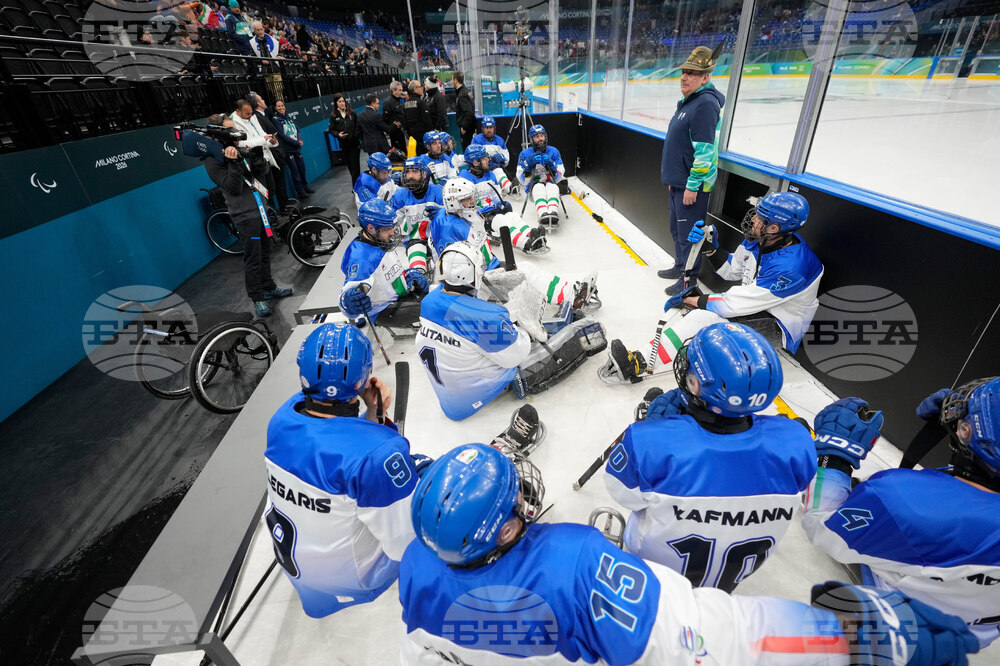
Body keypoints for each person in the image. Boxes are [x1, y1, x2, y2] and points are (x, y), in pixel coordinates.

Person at [398, 443, 978, 666]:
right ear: (502, 533)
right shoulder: (574, 563)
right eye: (513, 498)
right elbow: (704, 636)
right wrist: (835, 638)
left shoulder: (416, 569)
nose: (524, 493)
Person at [604, 323, 816, 592]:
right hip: (731, 583)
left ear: (695, 385)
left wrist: (656, 427)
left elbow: (623, 494)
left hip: (654, 576)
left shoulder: (650, 442)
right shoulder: (796, 442)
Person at [802, 378, 1000, 649]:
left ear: (968, 431)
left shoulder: (901, 499)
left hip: (894, 632)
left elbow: (821, 526)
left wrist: (834, 455)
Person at [265, 323, 422, 618]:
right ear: (364, 379)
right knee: (425, 472)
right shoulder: (380, 453)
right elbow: (405, 543)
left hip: (301, 568)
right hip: (356, 581)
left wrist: (373, 413)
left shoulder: (281, 419)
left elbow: (336, 441)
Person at [601, 191, 823, 384]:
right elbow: (731, 271)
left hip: (776, 325)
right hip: (754, 305)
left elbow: (733, 305)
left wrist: (698, 301)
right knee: (702, 313)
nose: (753, 218)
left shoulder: (792, 268)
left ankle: (639, 363)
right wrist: (710, 248)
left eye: (759, 217)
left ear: (774, 228)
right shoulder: (759, 240)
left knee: (702, 317)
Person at [417, 241, 606, 421]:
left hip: (451, 396)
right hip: (479, 393)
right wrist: (520, 322)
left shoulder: (429, 301)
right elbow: (518, 354)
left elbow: (465, 324)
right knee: (588, 330)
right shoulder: (486, 318)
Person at [202, 113, 292, 318]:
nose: (236, 133)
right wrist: (233, 163)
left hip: (260, 209)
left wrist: (257, 156)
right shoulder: (212, 160)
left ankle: (268, 286)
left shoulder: (242, 148)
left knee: (266, 251)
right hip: (244, 216)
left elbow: (260, 173)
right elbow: (232, 187)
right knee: (253, 257)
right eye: (229, 129)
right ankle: (257, 298)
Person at [659, 45, 726, 295]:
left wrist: (692, 185)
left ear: (706, 77)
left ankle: (689, 283)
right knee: (677, 230)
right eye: (684, 72)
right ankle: (680, 267)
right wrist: (675, 179)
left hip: (692, 187)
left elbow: (705, 152)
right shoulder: (690, 101)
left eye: (692, 73)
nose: (684, 77)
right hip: (679, 182)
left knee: (690, 235)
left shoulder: (705, 105)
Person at [338, 200, 428, 329]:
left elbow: (388, 272)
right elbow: (347, 303)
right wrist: (349, 302)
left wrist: (408, 275)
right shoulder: (362, 259)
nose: (392, 233)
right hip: (384, 310)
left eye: (392, 227)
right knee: (436, 309)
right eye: (387, 229)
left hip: (396, 297)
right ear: (370, 228)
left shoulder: (379, 241)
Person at [458, 144, 546, 254]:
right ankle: (525, 243)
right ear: (475, 163)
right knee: (501, 221)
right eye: (484, 158)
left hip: (493, 212)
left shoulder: (490, 175)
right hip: (479, 217)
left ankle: (533, 236)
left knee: (512, 216)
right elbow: (465, 205)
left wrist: (500, 204)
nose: (488, 160)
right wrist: (486, 208)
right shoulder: (463, 179)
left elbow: (496, 194)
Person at [391, 158, 445, 276]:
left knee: (445, 271)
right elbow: (392, 222)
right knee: (417, 272)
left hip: (440, 238)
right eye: (408, 172)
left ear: (424, 174)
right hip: (415, 241)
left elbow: (454, 217)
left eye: (415, 172)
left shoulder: (439, 191)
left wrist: (443, 213)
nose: (410, 176)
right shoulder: (400, 195)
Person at [230, 99, 284, 211]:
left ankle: (272, 215)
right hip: (253, 164)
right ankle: (269, 218)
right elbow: (241, 144)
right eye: (247, 113)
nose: (250, 115)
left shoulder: (253, 118)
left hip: (265, 159)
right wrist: (263, 140)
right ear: (238, 111)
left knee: (271, 189)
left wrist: (271, 141)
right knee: (263, 193)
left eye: (251, 113)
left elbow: (263, 136)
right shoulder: (233, 123)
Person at [516, 124, 564, 228]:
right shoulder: (524, 154)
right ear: (532, 139)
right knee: (539, 187)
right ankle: (543, 214)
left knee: (553, 187)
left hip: (550, 182)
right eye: (537, 136)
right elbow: (522, 180)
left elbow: (560, 176)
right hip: (533, 186)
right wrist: (527, 167)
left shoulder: (554, 151)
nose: (540, 138)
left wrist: (552, 164)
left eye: (542, 135)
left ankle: (553, 213)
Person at [247, 92, 289, 211]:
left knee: (278, 186)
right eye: (261, 99)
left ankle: (284, 207)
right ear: (258, 103)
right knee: (275, 187)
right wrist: (278, 155)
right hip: (271, 158)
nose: (264, 100)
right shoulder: (257, 118)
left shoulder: (262, 116)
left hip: (275, 155)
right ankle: (280, 211)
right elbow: (266, 139)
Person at [271, 99, 313, 200]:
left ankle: (305, 186)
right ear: (275, 108)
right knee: (295, 171)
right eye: (279, 106)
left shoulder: (288, 117)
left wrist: (300, 139)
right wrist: (296, 143)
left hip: (296, 148)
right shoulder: (276, 119)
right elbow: (282, 135)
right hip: (288, 149)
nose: (281, 108)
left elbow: (297, 129)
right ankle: (300, 191)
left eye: (282, 105)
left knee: (302, 168)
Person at [470, 115, 516, 194]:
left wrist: (502, 158)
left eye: (490, 127)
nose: (489, 130)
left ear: (494, 128)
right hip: (480, 170)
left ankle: (510, 188)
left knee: (499, 172)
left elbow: (506, 160)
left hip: (494, 168)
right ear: (483, 128)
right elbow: (471, 157)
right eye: (486, 128)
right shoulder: (476, 140)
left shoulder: (500, 141)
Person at [329, 93, 361, 187]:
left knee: (355, 166)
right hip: (343, 144)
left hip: (354, 144)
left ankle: (356, 187)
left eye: (343, 101)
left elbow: (357, 126)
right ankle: (357, 184)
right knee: (350, 166)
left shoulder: (352, 113)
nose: (342, 103)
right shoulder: (333, 116)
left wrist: (355, 135)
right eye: (340, 101)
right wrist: (338, 134)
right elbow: (331, 130)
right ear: (336, 103)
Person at [403, 80, 433, 156]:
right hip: (424, 135)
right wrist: (430, 133)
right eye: (420, 87)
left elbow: (405, 121)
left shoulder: (406, 104)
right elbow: (427, 120)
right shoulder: (421, 103)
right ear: (415, 89)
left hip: (413, 136)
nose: (422, 88)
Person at [382, 80, 407, 153]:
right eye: (399, 90)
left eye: (401, 90)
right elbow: (385, 118)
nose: (401, 92)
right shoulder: (388, 102)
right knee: (398, 153)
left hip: (401, 132)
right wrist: (393, 126)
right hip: (395, 133)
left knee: (403, 152)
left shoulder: (398, 101)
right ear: (393, 90)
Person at [453, 70, 475, 149]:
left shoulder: (462, 95)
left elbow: (469, 113)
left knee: (467, 149)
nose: (452, 82)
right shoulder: (466, 91)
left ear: (455, 80)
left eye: (452, 79)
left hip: (467, 129)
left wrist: (464, 127)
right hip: (471, 126)